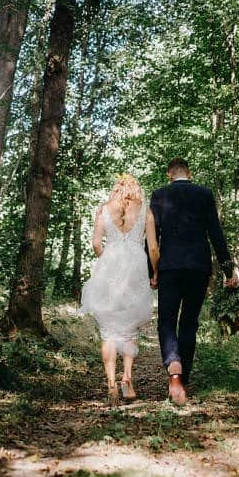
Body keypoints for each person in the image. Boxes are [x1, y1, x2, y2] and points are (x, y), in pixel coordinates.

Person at [148, 157, 238, 404]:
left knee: (166, 320)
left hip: (169, 267)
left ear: (169, 174)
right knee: (189, 321)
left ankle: (173, 371)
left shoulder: (159, 195)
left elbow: (152, 239)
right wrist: (229, 269)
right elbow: (216, 233)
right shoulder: (204, 194)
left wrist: (151, 271)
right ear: (190, 173)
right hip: (199, 267)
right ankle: (183, 379)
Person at [78, 173, 160, 405]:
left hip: (109, 269)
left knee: (109, 330)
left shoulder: (104, 209)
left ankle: (111, 385)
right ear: (136, 190)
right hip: (135, 269)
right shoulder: (145, 210)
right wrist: (155, 272)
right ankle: (127, 379)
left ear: (116, 189)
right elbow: (153, 247)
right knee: (130, 326)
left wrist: (106, 260)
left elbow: (95, 244)